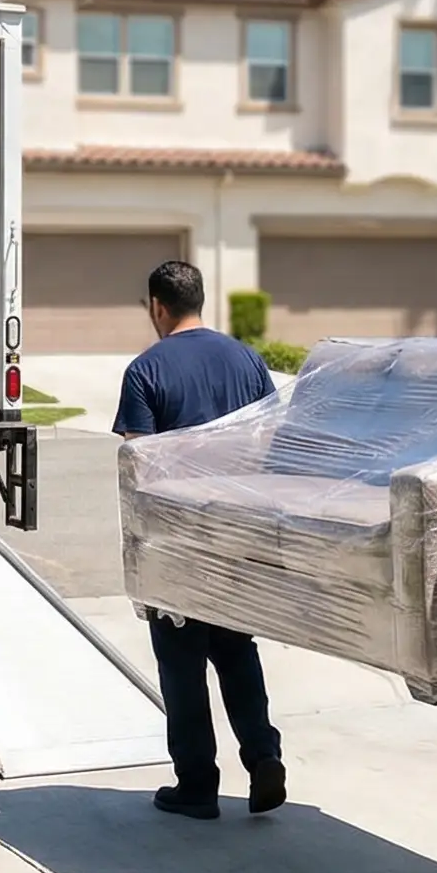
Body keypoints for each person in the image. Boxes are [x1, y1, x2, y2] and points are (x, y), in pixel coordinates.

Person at [114, 259, 288, 822]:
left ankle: (197, 785)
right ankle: (263, 756)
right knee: (237, 652)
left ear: (157, 307)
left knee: (182, 664)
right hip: (237, 531)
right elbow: (271, 445)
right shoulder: (248, 360)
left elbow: (139, 465)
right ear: (201, 301)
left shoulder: (146, 370)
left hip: (177, 540)